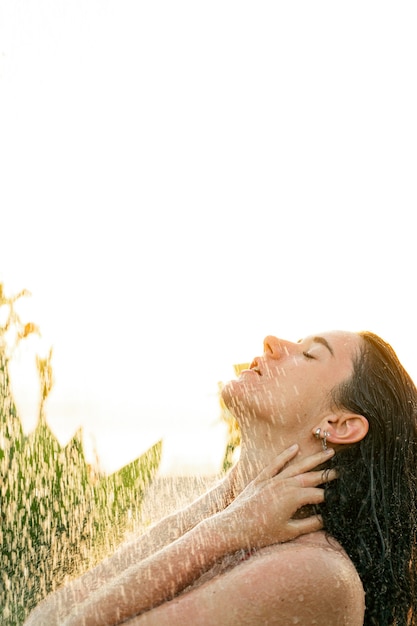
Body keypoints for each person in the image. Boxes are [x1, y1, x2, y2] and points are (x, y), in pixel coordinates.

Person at [24, 329, 417, 626]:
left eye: (309, 354)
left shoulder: (316, 572)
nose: (273, 342)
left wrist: (225, 530)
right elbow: (46, 616)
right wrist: (229, 510)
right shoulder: (245, 524)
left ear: (339, 425)